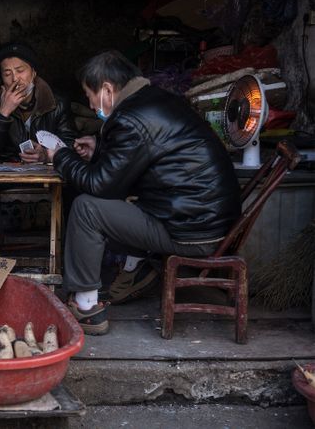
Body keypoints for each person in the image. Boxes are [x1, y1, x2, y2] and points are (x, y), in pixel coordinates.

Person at [46, 50, 241, 335]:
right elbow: (144, 156)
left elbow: (101, 185)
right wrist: (99, 148)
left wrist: (61, 157)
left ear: (108, 90)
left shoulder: (131, 118)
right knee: (106, 202)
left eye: (89, 95)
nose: (89, 103)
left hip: (192, 232)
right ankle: (135, 269)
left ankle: (87, 307)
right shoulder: (155, 101)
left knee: (87, 208)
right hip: (207, 220)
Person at [0, 42, 76, 162]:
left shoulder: (58, 102)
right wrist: (3, 113)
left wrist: (46, 155)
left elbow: (71, 146)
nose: (15, 79)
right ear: (2, 79)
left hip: (45, 175)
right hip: (8, 174)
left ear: (33, 72)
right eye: (7, 74)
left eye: (20, 70)